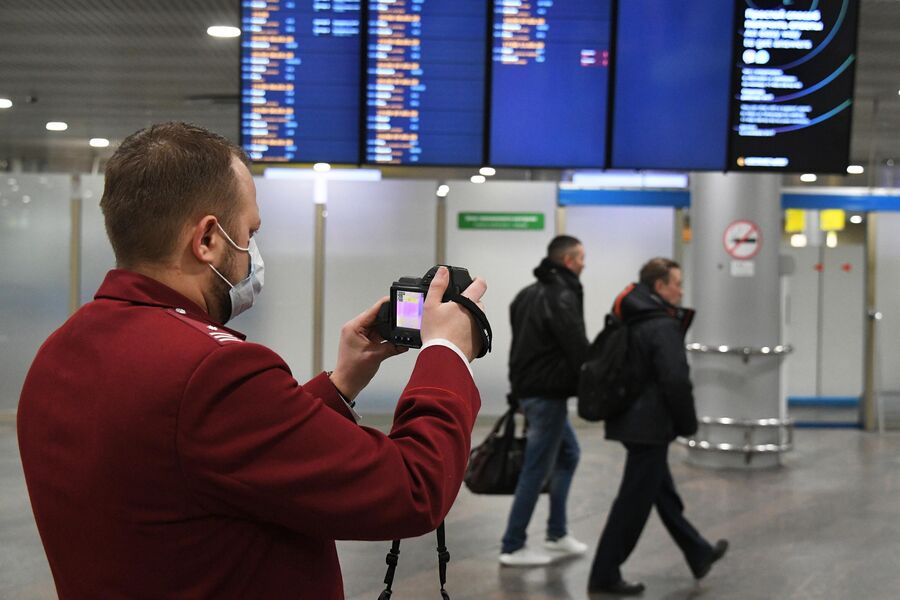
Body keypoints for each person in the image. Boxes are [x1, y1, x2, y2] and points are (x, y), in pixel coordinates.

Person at [17, 122, 487, 600]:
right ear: (207, 240)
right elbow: (411, 489)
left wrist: (341, 382)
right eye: (250, 231)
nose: (253, 253)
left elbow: (210, 456)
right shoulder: (211, 370)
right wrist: (445, 354)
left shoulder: (60, 351)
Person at [587, 258, 728, 596]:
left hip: (635, 420)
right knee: (633, 503)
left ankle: (698, 552)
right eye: (676, 282)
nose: (681, 289)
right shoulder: (661, 325)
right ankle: (604, 574)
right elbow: (675, 381)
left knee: (662, 493)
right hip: (648, 425)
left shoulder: (633, 317)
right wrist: (688, 423)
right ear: (660, 287)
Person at [499, 235, 591, 566]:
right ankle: (513, 545)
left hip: (532, 391)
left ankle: (556, 533)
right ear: (568, 260)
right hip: (547, 395)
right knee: (536, 469)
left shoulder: (525, 295)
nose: (584, 263)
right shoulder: (562, 295)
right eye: (581, 257)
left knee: (568, 454)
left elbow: (518, 350)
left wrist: (516, 391)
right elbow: (576, 346)